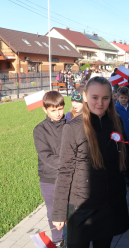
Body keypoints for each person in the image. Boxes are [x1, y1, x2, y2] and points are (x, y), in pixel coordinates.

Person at [51, 77, 129, 248]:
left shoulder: (116, 121)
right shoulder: (73, 128)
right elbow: (65, 171)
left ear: (111, 98)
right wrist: (59, 212)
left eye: (105, 98)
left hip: (110, 204)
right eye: (95, 97)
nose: (100, 103)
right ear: (85, 96)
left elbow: (124, 154)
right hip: (82, 207)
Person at [33, 91, 66, 248]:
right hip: (50, 178)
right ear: (45, 110)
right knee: (53, 211)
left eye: (60, 109)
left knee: (74, 209)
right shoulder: (40, 130)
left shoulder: (70, 126)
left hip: (71, 177)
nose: (58, 113)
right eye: (53, 110)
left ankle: (76, 237)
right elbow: (45, 156)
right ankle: (58, 240)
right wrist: (69, 163)